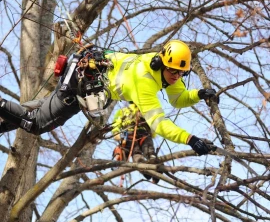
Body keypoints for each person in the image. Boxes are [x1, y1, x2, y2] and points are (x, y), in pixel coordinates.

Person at [0, 40, 218, 156]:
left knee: (31, 113)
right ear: (162, 63)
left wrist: (198, 94)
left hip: (85, 77)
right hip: (81, 82)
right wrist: (190, 139)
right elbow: (159, 124)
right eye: (174, 72)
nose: (177, 77)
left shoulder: (164, 70)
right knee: (37, 123)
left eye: (182, 74)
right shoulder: (144, 81)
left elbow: (177, 98)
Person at [111, 102, 160, 183]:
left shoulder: (147, 111)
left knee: (148, 151)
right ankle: (146, 170)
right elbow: (116, 123)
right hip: (130, 134)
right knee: (136, 154)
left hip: (143, 133)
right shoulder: (123, 111)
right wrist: (116, 133)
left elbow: (154, 126)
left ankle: (154, 168)